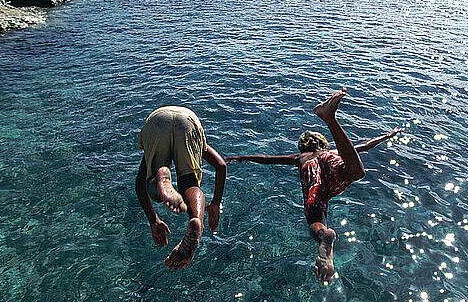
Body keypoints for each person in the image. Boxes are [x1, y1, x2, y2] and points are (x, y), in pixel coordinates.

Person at [225, 88, 403, 283]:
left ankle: (323, 236)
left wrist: (241, 156)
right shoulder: (329, 151)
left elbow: (267, 158)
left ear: (303, 147)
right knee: (356, 172)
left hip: (314, 183)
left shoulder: (300, 157)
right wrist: (387, 136)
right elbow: (366, 145)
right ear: (322, 143)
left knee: (315, 221)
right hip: (331, 165)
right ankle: (330, 120)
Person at [135, 106, 227, 270]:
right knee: (189, 183)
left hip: (157, 120)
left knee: (153, 185)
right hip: (188, 121)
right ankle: (196, 221)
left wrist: (153, 221)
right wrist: (215, 203)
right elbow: (221, 165)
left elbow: (139, 185)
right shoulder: (197, 139)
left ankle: (161, 173)